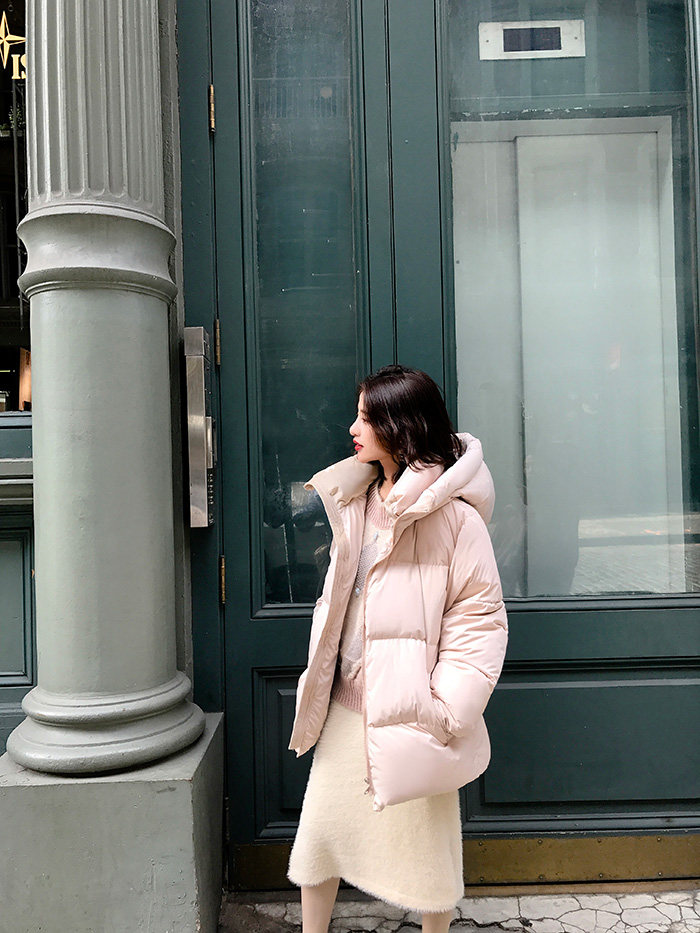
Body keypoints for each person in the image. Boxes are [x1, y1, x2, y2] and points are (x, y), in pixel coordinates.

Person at [287, 365, 508, 933]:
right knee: (320, 837)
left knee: (427, 852)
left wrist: (442, 710)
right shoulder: (356, 500)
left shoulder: (456, 519)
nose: (352, 428)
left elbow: (479, 622)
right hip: (345, 704)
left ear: (400, 425)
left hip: (415, 711)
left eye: (365, 417)